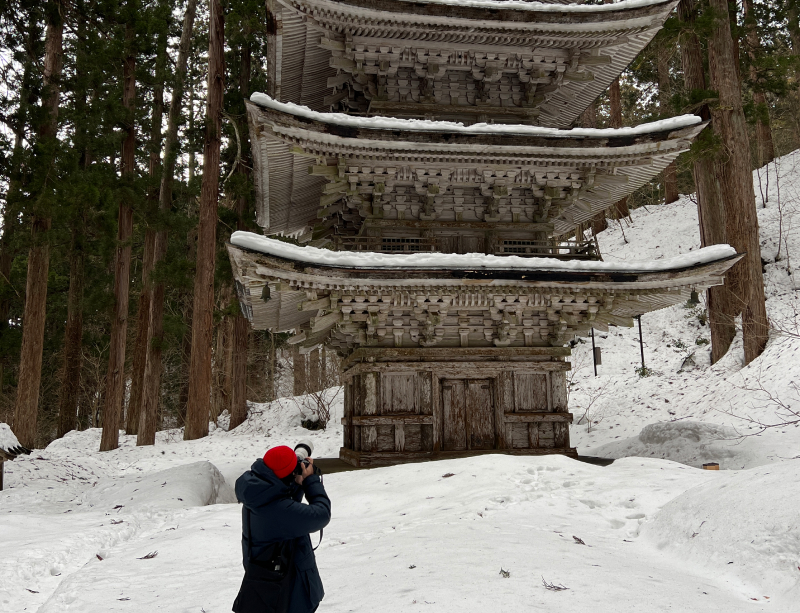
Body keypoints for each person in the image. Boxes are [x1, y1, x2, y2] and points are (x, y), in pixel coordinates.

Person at [234, 445, 331, 613]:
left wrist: (295, 480)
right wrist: (310, 481)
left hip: (268, 580)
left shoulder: (258, 491)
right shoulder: (278, 510)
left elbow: (282, 495)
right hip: (288, 590)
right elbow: (321, 515)